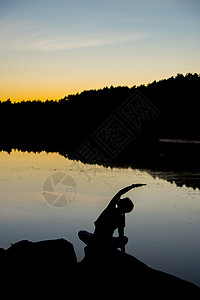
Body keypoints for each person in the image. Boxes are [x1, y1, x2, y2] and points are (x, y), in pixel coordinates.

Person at [78, 183, 146, 261]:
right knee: (125, 239)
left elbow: (119, 193)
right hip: (107, 243)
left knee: (81, 233)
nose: (119, 199)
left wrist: (132, 186)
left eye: (121, 200)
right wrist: (123, 253)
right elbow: (121, 237)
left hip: (98, 241)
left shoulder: (110, 209)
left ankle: (98, 243)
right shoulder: (121, 218)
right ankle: (104, 244)